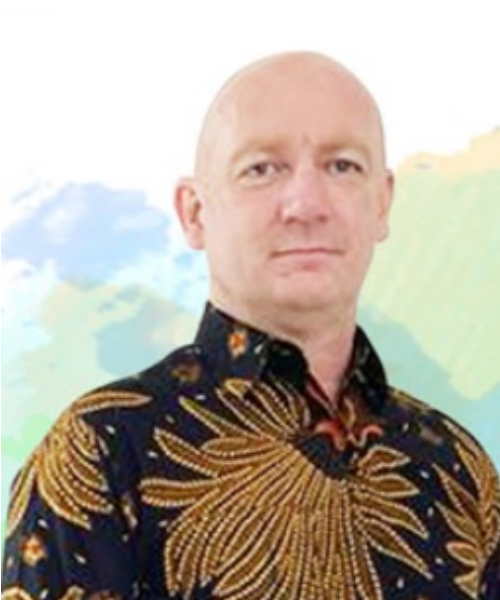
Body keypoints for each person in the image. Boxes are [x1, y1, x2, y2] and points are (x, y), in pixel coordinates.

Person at [1, 51, 499, 600]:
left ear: (382, 204)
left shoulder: (459, 469)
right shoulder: (103, 449)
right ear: (194, 212)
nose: (306, 204)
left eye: (342, 166)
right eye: (262, 169)